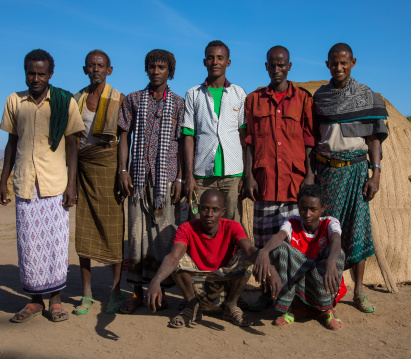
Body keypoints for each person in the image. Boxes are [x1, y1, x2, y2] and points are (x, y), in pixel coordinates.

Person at [0, 49, 84, 323]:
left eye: (41, 73)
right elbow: (12, 143)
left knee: (55, 244)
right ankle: (34, 301)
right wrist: (3, 181)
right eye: (31, 73)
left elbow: (72, 144)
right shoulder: (15, 101)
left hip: (55, 184)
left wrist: (72, 185)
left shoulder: (63, 101)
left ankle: (56, 301)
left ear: (51, 74)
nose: (36, 78)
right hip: (25, 184)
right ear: (25, 72)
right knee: (29, 245)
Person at [313, 43, 388, 313]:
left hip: (357, 171)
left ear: (353, 62)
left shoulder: (367, 96)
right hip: (328, 172)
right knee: (329, 231)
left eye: (344, 62)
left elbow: (374, 140)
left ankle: (358, 292)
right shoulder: (320, 98)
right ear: (327, 64)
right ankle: (329, 287)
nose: (339, 67)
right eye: (334, 63)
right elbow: (313, 138)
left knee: (358, 229)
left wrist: (375, 174)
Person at [245, 45, 315, 311]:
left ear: (289, 66)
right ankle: (266, 291)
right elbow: (250, 141)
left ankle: (294, 293)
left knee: (293, 245)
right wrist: (249, 175)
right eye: (272, 65)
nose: (277, 70)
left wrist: (309, 173)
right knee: (264, 243)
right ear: (266, 67)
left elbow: (310, 139)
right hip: (264, 184)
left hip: (294, 184)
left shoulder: (303, 99)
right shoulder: (254, 100)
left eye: (281, 65)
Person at [146, 189, 281, 328]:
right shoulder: (186, 228)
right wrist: (156, 280)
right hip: (196, 290)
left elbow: (249, 250)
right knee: (178, 258)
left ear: (222, 212)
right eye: (205, 209)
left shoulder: (232, 226)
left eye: (215, 210)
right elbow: (173, 256)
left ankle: (231, 305)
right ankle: (193, 307)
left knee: (246, 256)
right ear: (198, 209)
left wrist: (270, 267)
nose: (209, 215)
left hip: (225, 286)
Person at [117, 49, 185, 314]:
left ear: (170, 71)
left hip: (166, 180)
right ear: (146, 69)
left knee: (163, 238)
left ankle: (161, 292)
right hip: (138, 179)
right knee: (136, 238)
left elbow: (182, 143)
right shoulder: (134, 99)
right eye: (152, 67)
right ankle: (135, 292)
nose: (156, 71)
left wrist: (180, 176)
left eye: (161, 67)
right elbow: (124, 135)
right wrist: (123, 170)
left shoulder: (178, 104)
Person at [72, 50, 126, 315]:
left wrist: (122, 172)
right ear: (85, 69)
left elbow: (125, 140)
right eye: (91, 65)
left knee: (114, 231)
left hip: (110, 170)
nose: (96, 69)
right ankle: (87, 294)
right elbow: (70, 140)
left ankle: (115, 293)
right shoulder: (76, 100)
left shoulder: (120, 100)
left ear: (109, 70)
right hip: (83, 170)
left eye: (100, 65)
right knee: (83, 230)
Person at [253, 184, 347, 330]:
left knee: (338, 253)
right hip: (300, 277)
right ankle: (296, 308)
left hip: (320, 279)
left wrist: (331, 261)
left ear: (322, 209)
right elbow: (279, 237)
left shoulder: (330, 222)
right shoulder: (292, 222)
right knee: (280, 249)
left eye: (313, 210)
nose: (307, 214)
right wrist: (263, 251)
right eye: (303, 209)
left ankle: (327, 309)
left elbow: (336, 240)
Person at [182, 40, 246, 222]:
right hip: (201, 175)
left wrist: (245, 175)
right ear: (204, 62)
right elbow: (188, 137)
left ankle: (234, 253)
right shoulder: (193, 94)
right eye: (210, 58)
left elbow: (243, 137)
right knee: (198, 221)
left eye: (220, 58)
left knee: (232, 223)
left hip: (232, 175)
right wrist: (189, 176)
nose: (215, 62)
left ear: (228, 62)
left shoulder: (239, 94)